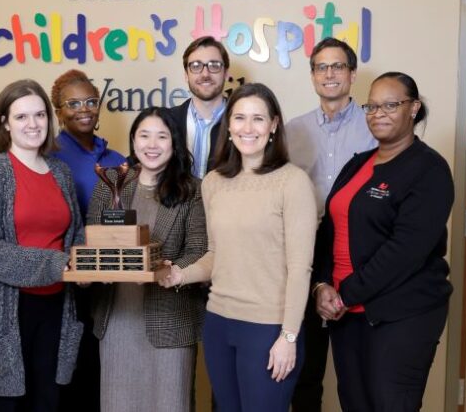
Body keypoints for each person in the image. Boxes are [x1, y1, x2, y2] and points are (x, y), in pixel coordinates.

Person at [162, 83, 317, 412]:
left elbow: (300, 269)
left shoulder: (293, 182)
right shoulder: (214, 182)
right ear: (228, 126)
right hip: (219, 323)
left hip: (269, 328)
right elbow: (216, 254)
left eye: (258, 119)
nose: (248, 128)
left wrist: (288, 336)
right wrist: (179, 275)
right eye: (240, 118)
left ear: (273, 125)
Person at [312, 72, 454, 411]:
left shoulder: (429, 169)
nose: (378, 114)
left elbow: (405, 251)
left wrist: (346, 293)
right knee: (354, 403)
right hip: (346, 314)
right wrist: (322, 285)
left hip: (401, 314)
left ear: (413, 108)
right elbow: (329, 230)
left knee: (390, 403)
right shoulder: (358, 164)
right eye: (372, 106)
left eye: (390, 105)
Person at [0, 79, 84, 411]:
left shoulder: (60, 172)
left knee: (47, 401)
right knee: (5, 403)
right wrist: (55, 264)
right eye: (21, 116)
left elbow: (75, 234)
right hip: (4, 309)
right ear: (5, 123)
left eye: (40, 115)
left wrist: (84, 266)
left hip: (56, 305)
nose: (33, 124)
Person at [89, 107, 207, 412]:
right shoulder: (111, 181)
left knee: (170, 404)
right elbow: (91, 240)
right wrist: (95, 268)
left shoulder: (192, 190)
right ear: (133, 140)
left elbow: (198, 250)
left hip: (170, 322)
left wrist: (171, 270)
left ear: (174, 143)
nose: (152, 145)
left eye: (162, 137)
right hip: (118, 321)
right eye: (144, 135)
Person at [285, 37, 377, 411]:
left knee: (359, 374)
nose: (329, 74)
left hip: (361, 251)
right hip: (306, 251)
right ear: (312, 76)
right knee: (306, 373)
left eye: (337, 66)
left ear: (352, 74)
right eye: (321, 67)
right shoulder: (293, 130)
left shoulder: (374, 125)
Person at [49, 69, 126, 412]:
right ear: (58, 112)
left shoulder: (118, 161)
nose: (84, 109)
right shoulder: (50, 159)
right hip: (70, 284)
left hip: (113, 283)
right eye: (74, 103)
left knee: (107, 376)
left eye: (91, 101)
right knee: (73, 374)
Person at [170, 36, 230, 178]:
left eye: (214, 65)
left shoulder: (244, 125)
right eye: (196, 66)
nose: (205, 74)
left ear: (226, 73)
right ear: (186, 75)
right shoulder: (167, 121)